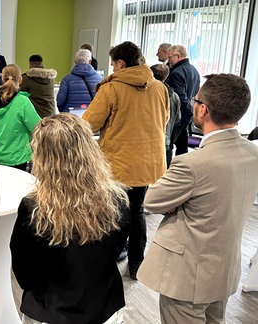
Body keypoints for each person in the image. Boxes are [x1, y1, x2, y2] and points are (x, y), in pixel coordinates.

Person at [137, 74, 258, 324]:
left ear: (203, 109)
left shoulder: (192, 164)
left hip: (187, 275)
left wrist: (181, 205)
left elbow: (152, 200)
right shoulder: (254, 152)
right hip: (223, 270)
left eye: (196, 100)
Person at [10, 113, 130, 324]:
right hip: (104, 309)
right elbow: (116, 252)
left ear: (43, 158)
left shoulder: (34, 209)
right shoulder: (117, 200)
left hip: (50, 311)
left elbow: (24, 272)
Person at [82, 41, 169, 280]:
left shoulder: (112, 89)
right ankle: (137, 263)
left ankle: (108, 261)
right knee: (137, 210)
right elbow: (164, 119)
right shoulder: (160, 88)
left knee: (113, 213)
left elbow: (89, 123)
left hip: (117, 163)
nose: (112, 69)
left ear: (120, 63)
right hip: (148, 163)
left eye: (112, 65)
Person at [0, 64, 41, 171]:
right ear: (20, 79)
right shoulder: (22, 102)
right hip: (18, 158)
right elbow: (36, 127)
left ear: (2, 78)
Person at [167, 44, 201, 156]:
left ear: (178, 56)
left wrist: (190, 112)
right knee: (182, 145)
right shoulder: (194, 70)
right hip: (187, 115)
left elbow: (179, 98)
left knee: (169, 145)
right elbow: (196, 94)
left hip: (178, 115)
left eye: (170, 57)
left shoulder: (176, 73)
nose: (169, 60)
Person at [150, 64, 181, 167]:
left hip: (149, 143)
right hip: (166, 142)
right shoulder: (175, 96)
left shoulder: (147, 95)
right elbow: (177, 120)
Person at [57, 49, 103, 113]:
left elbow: (60, 101)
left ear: (75, 62)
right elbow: (102, 101)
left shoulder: (66, 79)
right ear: (90, 61)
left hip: (71, 118)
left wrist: (64, 113)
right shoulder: (100, 79)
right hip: (92, 116)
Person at [19, 54, 57, 118]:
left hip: (35, 116)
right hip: (51, 114)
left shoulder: (27, 78)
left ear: (30, 65)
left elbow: (19, 93)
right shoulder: (51, 78)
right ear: (42, 64)